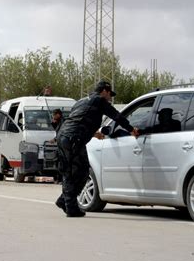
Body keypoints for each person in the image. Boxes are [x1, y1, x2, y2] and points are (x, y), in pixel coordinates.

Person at [55, 80, 139, 217]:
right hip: (74, 139)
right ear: (104, 91)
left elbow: (77, 120)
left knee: (74, 171)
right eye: (109, 94)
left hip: (65, 137)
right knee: (77, 171)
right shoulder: (99, 100)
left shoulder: (81, 101)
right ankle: (70, 206)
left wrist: (94, 134)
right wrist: (131, 129)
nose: (110, 98)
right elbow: (116, 116)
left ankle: (64, 200)